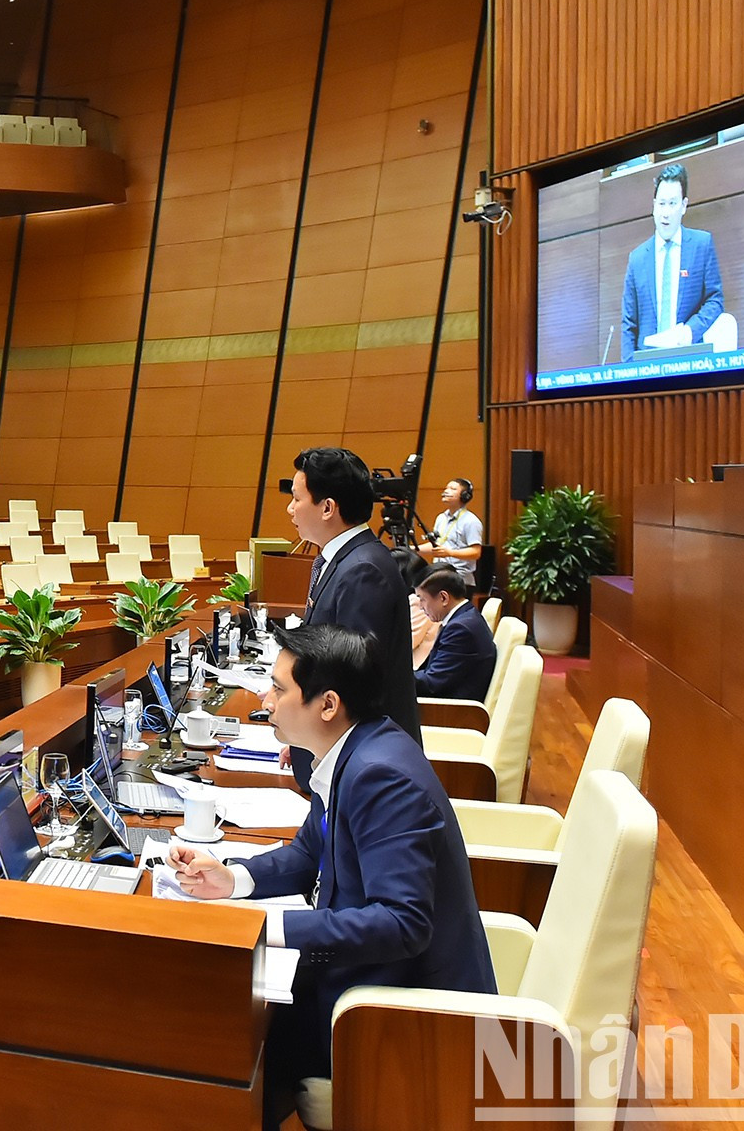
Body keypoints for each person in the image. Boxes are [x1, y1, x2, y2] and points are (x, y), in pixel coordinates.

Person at [165, 623, 495, 1129]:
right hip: (364, 984)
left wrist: (265, 928)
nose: (266, 701)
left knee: (216, 1029)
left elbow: (402, 923)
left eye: (279, 689)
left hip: (403, 1021)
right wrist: (232, 880)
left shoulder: (380, 775)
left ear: (327, 704)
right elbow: (309, 851)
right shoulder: (352, 750)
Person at [286, 447, 419, 782]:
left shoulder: (363, 571)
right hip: (338, 757)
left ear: (327, 507)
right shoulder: (346, 560)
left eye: (297, 499)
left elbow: (353, 685)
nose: (290, 509)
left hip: (362, 770)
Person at [619, 161, 736, 358]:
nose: (665, 213)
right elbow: (629, 325)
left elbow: (715, 300)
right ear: (654, 206)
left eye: (672, 204)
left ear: (683, 206)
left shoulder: (701, 245)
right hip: (647, 364)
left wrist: (690, 331)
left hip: (689, 359)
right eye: (661, 204)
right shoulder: (637, 259)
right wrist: (630, 369)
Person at [413, 568, 500, 703]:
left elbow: (432, 683)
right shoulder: (466, 616)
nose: (420, 607)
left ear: (443, 598)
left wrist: (393, 678)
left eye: (422, 599)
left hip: (451, 710)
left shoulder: (461, 630)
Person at [418, 477, 484, 584]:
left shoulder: (471, 521)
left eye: (453, 489)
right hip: (439, 574)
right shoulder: (441, 518)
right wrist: (413, 549)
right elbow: (437, 545)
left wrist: (450, 553)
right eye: (446, 488)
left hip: (460, 580)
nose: (446, 491)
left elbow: (476, 552)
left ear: (464, 496)